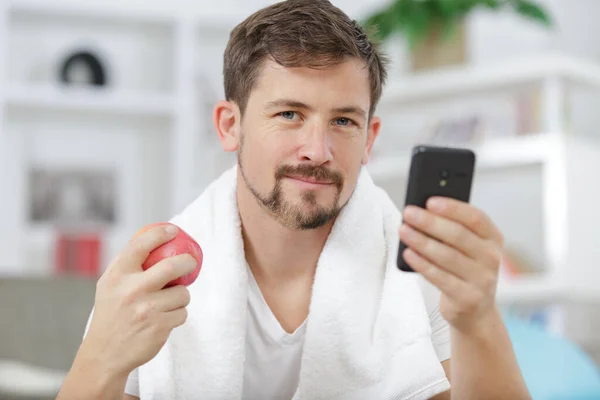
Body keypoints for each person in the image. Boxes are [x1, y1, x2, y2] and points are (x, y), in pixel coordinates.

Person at [57, 0, 531, 399]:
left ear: (370, 139)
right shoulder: (149, 280)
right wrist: (102, 353)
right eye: (289, 114)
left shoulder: (418, 271)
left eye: (344, 121)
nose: (318, 151)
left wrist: (478, 318)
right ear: (229, 125)